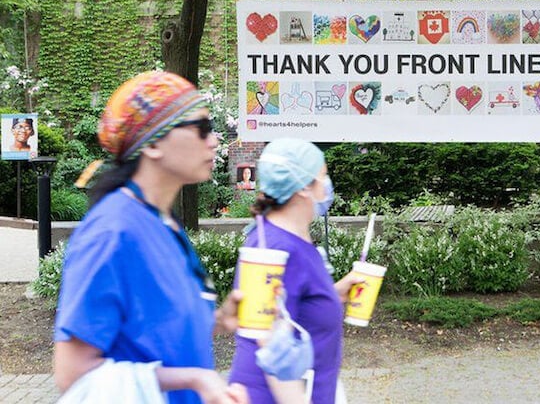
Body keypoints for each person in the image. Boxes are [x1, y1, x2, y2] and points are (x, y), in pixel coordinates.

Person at [53, 71, 248, 404]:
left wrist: (217, 321)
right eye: (202, 128)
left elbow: (153, 334)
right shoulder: (111, 232)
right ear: (154, 143)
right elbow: (73, 374)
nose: (214, 140)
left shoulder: (164, 224)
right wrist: (195, 380)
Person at [229, 138, 360, 404]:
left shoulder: (292, 238)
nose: (327, 185)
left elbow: (292, 307)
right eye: (323, 176)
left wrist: (333, 294)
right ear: (302, 186)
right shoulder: (273, 249)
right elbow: (270, 341)